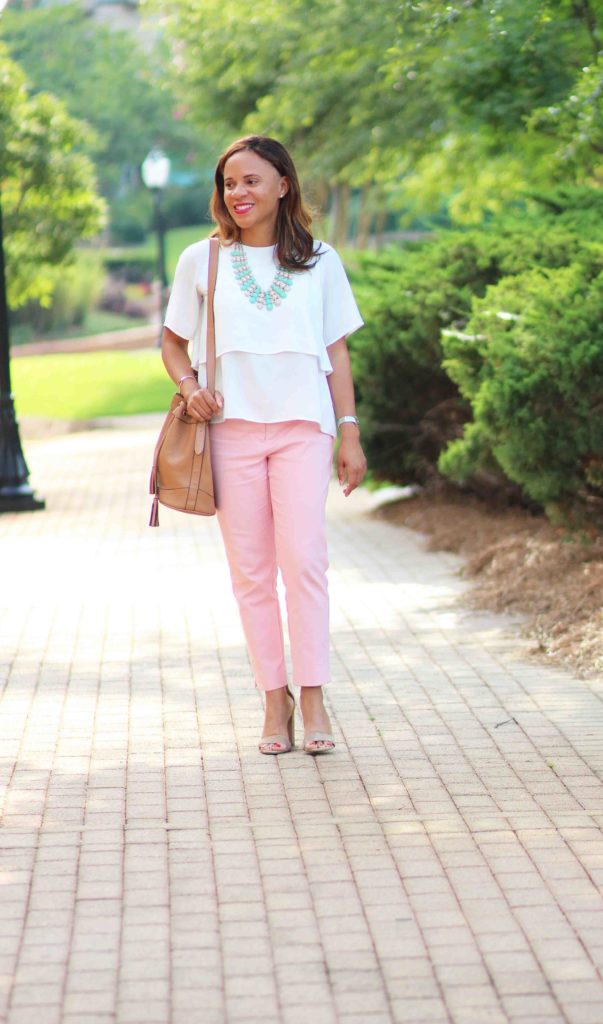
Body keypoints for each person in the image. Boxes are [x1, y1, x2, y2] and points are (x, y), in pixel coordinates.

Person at [160, 135, 367, 756]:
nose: (238, 193)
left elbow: (336, 351)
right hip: (231, 432)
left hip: (304, 426)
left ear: (283, 184)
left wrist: (349, 430)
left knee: (304, 562)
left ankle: (314, 697)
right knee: (251, 573)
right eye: (229, 183)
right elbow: (172, 342)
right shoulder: (204, 260)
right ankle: (273, 701)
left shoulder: (321, 260)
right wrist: (189, 385)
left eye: (251, 180)